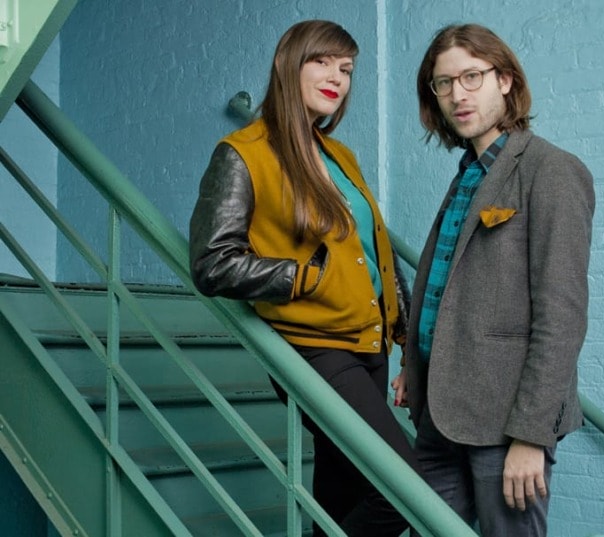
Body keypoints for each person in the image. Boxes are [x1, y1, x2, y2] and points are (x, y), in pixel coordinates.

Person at [189, 20, 417, 537]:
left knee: (344, 493)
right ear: (286, 64)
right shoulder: (242, 153)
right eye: (322, 62)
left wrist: (405, 340)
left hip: (369, 344)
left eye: (347, 69)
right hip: (314, 348)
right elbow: (211, 261)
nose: (337, 77)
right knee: (403, 487)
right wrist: (304, 278)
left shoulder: (341, 155)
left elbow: (375, 250)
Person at [391, 23, 595, 536]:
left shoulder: (551, 171)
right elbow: (448, 288)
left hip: (505, 421)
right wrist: (413, 368)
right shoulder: (469, 175)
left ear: (504, 80)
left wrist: (531, 435)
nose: (457, 94)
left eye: (471, 77)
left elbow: (561, 314)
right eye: (443, 84)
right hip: (438, 413)